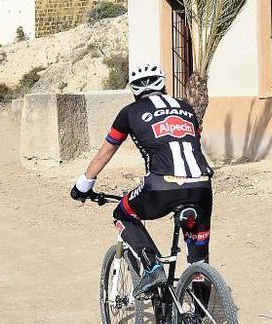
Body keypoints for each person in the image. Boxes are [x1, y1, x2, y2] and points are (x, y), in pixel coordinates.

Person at [70, 63, 213, 296]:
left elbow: (105, 152)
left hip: (160, 186)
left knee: (123, 213)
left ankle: (152, 266)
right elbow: (193, 141)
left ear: (134, 90)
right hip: (201, 186)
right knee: (199, 261)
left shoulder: (129, 113)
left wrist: (83, 184)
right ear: (164, 85)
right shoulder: (187, 109)